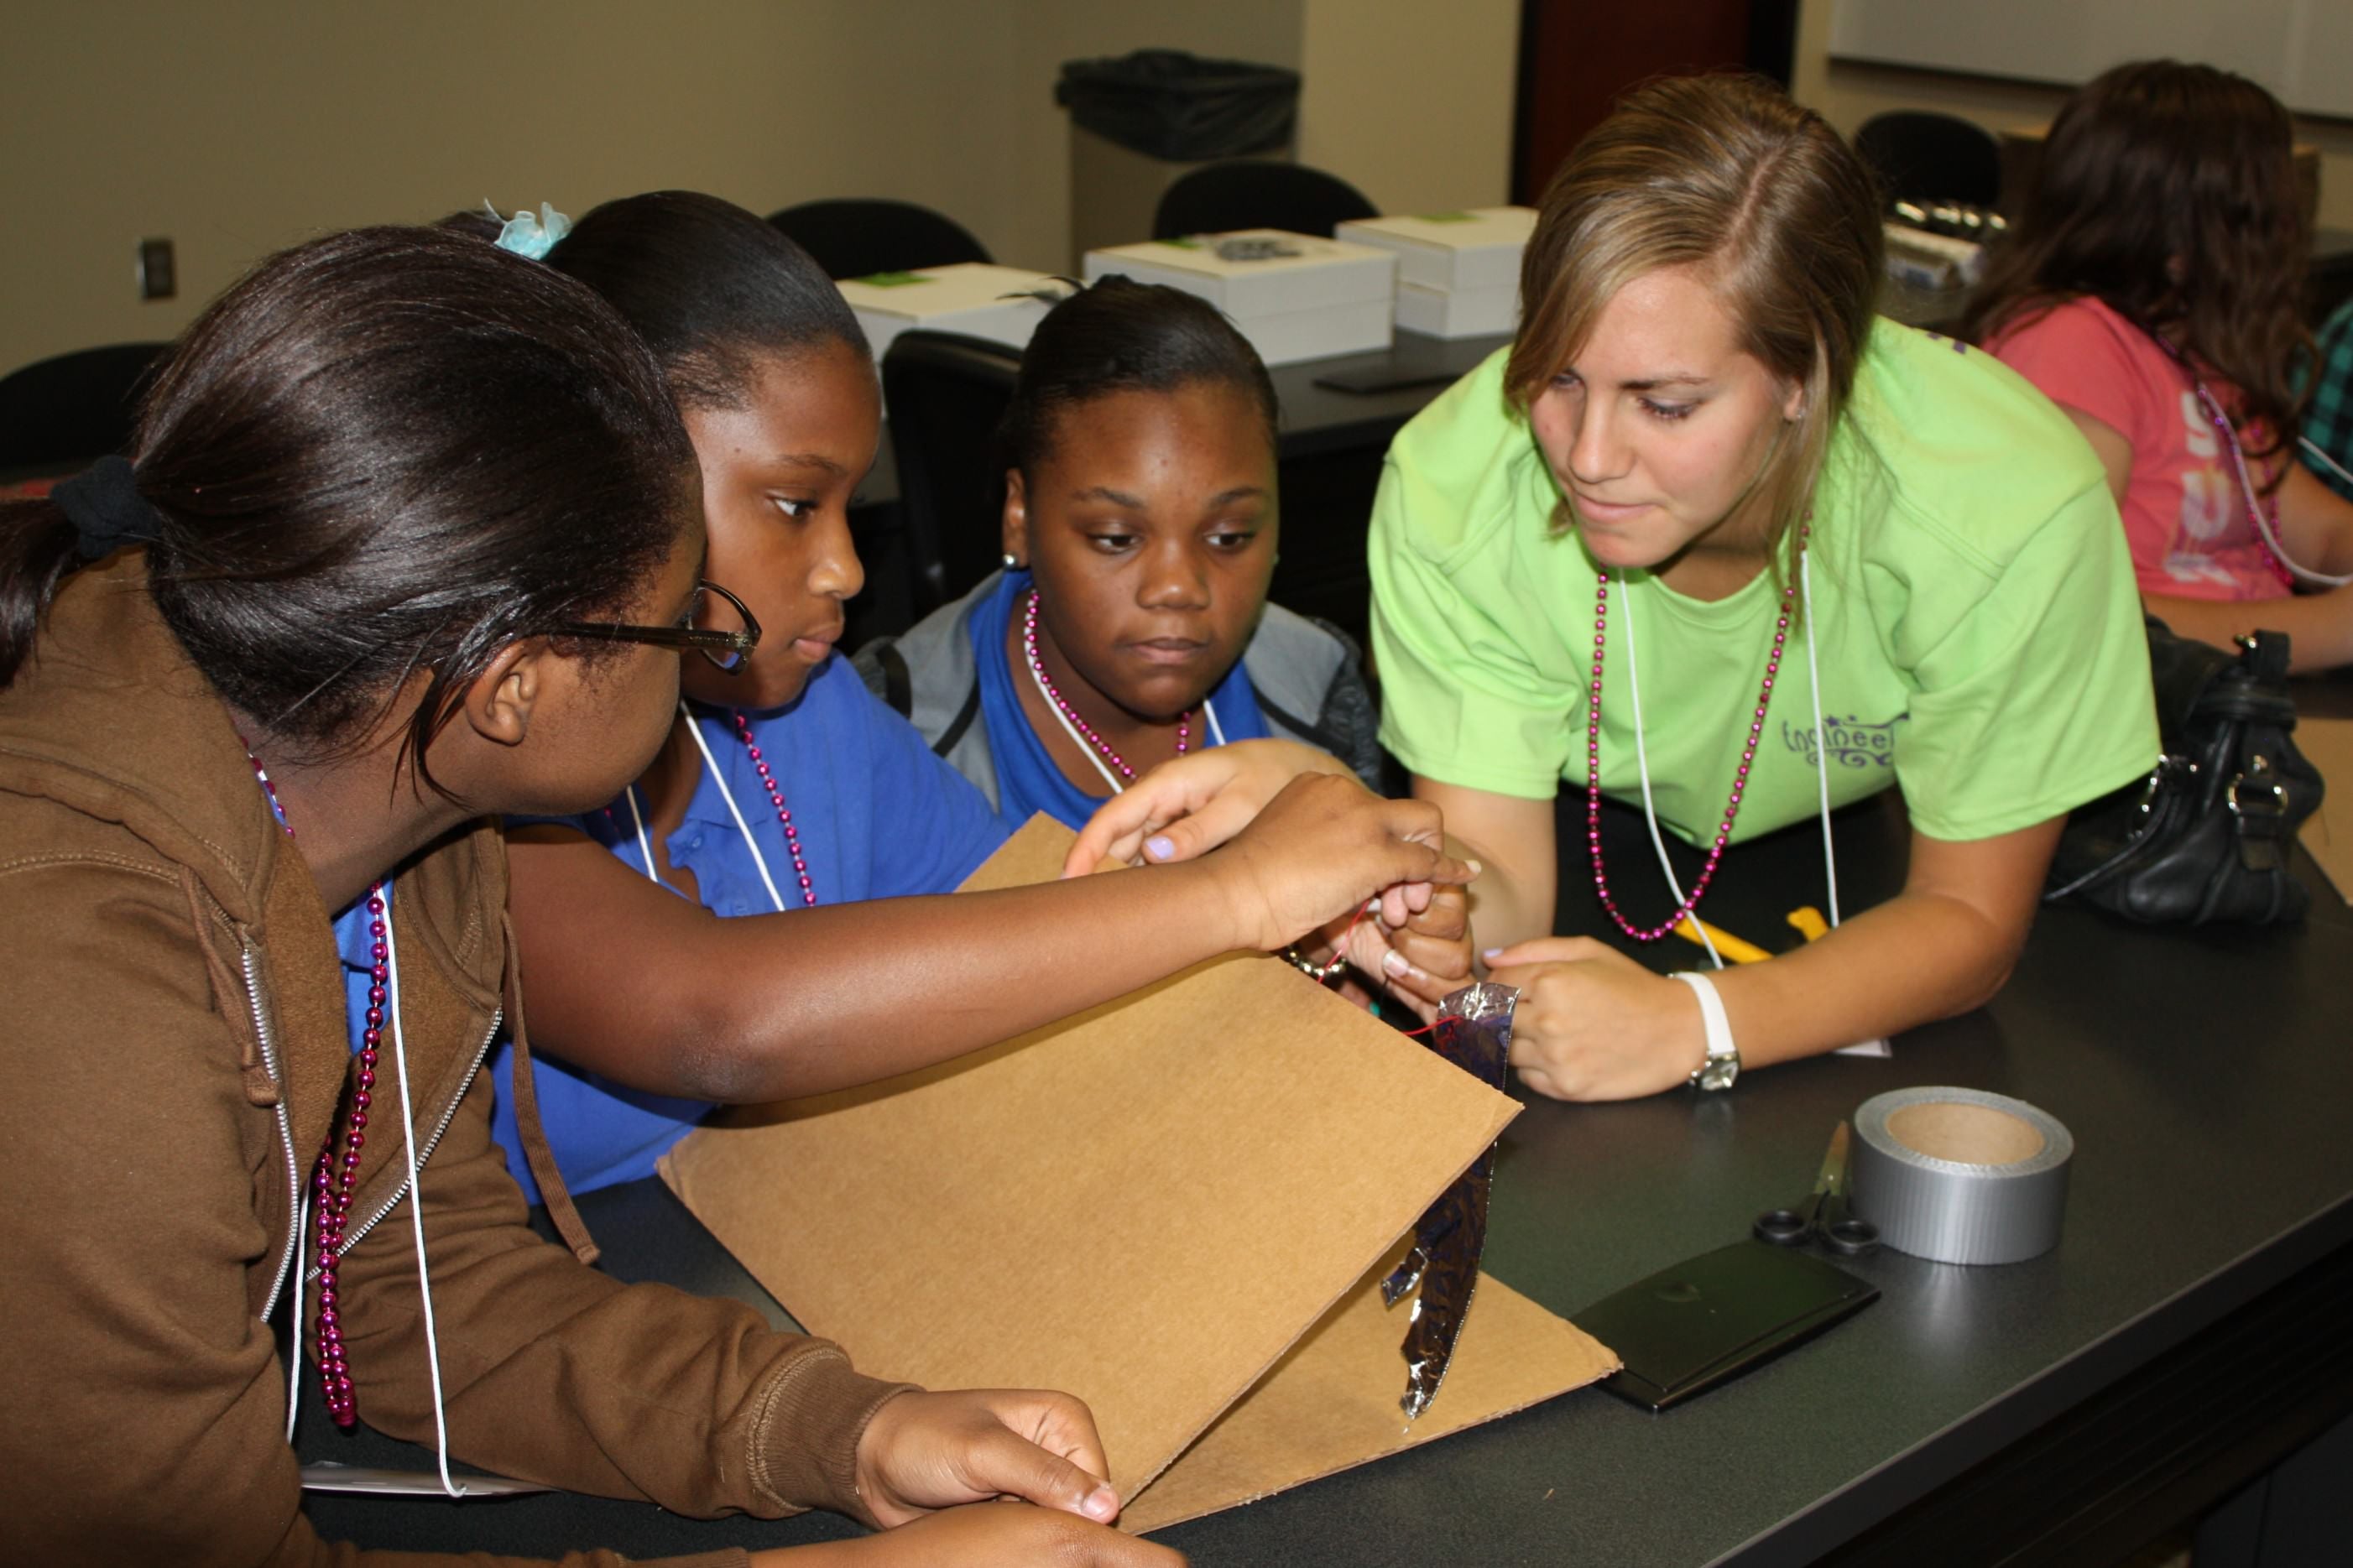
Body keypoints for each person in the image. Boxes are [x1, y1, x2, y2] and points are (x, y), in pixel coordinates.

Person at [0, 223, 1183, 1566]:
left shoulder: (408, 811)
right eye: (685, 617)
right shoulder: (73, 983)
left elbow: (414, 1290)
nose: (707, 651)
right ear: (515, 687)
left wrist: (838, 1429)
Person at [1077, 74, 2160, 1102]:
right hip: (1601, 867)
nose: (1587, 456)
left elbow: (1969, 920)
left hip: (1873, 879)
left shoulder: (2004, 505)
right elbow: (1496, 887)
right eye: (1557, 377)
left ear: (1803, 375)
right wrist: (1370, 845)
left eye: (1667, 404)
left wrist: (1698, 1025)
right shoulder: (1459, 488)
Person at [492, 195, 1473, 1205]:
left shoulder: (810, 709)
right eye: (795, 507)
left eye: (847, 508)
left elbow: (1029, 926)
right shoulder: (472, 767)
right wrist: (1241, 894)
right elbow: (716, 1024)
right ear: (608, 485)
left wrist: (1310, 921)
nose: (846, 570)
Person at [857, 276, 1459, 1008]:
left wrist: (1390, 959)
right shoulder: (894, 723)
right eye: (1115, 537)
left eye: (1230, 536)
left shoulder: (1313, 684)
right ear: (1019, 514)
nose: (1178, 587)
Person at [1970, 60, 2353, 673]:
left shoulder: (2194, 351)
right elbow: (2070, 608)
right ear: (2176, 236)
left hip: (2242, 687)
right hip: (2163, 704)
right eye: (2264, 218)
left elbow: (2323, 534)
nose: (2288, 238)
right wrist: (2330, 629)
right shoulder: (2071, 344)